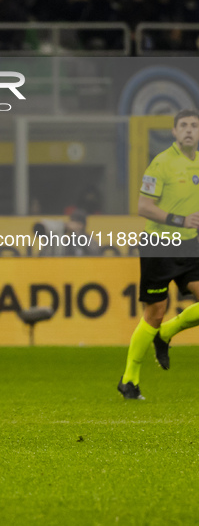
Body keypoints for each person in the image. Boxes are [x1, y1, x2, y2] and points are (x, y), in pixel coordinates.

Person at [118, 109, 199, 400]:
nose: (189, 130)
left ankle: (166, 334)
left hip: (190, 246)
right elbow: (143, 207)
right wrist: (180, 219)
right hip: (159, 245)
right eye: (184, 126)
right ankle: (129, 380)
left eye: (194, 126)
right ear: (175, 133)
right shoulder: (162, 163)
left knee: (164, 320)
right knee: (154, 313)